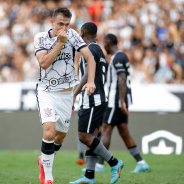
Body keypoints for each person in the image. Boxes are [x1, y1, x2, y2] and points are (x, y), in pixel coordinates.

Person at [34, 7, 97, 184]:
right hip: (46, 91)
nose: (64, 28)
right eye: (60, 24)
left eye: (67, 24)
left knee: (60, 137)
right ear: (52, 22)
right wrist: (60, 43)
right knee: (49, 131)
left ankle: (44, 159)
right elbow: (44, 63)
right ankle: (48, 177)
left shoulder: (74, 35)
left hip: (67, 94)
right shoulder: (40, 38)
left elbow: (90, 57)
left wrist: (90, 81)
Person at [69, 22, 124, 184]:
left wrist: (75, 93)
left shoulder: (90, 49)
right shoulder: (98, 49)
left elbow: (87, 73)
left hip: (92, 99)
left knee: (84, 136)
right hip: (97, 98)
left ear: (83, 32)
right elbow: (102, 74)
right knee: (90, 138)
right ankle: (89, 176)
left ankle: (114, 163)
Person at [100, 33, 149, 173]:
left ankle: (98, 165)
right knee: (124, 131)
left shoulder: (118, 57)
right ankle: (141, 162)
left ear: (108, 43)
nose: (104, 47)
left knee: (106, 129)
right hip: (120, 100)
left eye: (104, 44)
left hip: (115, 101)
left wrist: (121, 101)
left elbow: (122, 79)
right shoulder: (120, 56)